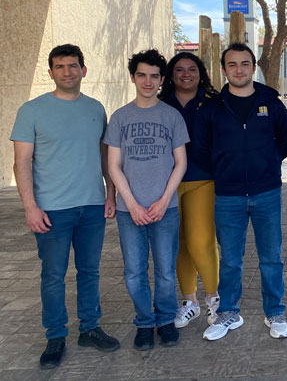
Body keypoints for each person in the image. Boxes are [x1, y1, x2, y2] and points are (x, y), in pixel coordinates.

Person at [11, 44, 120, 369]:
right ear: (51, 73)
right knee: (53, 275)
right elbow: (22, 163)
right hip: (52, 210)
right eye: (60, 67)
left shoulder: (96, 108)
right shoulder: (31, 110)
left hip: (91, 206)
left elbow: (105, 157)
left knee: (89, 272)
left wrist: (110, 194)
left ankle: (90, 328)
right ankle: (55, 336)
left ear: (83, 70)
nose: (67, 72)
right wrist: (30, 207)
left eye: (73, 66)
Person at [193, 43, 287, 341]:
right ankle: (228, 313)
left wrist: (269, 162)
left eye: (245, 64)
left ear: (253, 67)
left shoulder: (271, 103)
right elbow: (200, 150)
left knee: (271, 256)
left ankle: (275, 312)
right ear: (224, 70)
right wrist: (225, 170)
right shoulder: (211, 108)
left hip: (267, 192)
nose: (239, 69)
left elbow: (285, 141)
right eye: (233, 65)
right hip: (228, 195)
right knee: (231, 259)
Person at [104, 49, 189, 350]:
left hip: (165, 209)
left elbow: (181, 162)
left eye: (154, 76)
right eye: (142, 75)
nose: (148, 81)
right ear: (133, 77)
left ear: (162, 79)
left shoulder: (171, 116)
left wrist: (165, 199)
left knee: (165, 269)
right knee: (134, 270)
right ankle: (144, 321)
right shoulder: (120, 117)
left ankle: (165, 319)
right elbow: (114, 165)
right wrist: (131, 203)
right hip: (131, 211)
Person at [159, 53, 221, 328]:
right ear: (170, 75)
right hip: (166, 183)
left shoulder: (213, 102)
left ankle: (214, 299)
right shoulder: (160, 104)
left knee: (200, 241)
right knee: (179, 245)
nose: (186, 74)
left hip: (202, 179)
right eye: (179, 69)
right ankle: (189, 302)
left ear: (201, 73)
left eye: (192, 69)